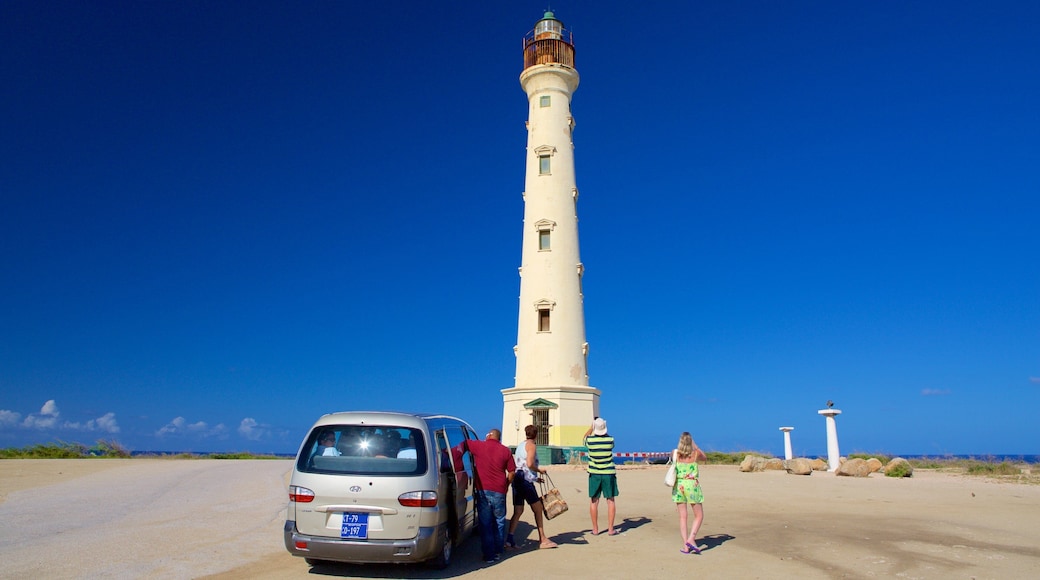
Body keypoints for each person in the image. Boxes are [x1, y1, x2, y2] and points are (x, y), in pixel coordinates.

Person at [465, 428, 516, 563]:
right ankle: (498, 551)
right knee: (499, 521)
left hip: (483, 490)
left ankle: (489, 555)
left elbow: (465, 443)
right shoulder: (506, 451)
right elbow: (512, 472)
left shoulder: (479, 446)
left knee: (486, 523)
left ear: (489, 435)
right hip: (500, 490)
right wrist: (506, 485)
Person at [506, 424, 557, 549]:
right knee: (538, 509)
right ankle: (542, 538)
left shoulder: (520, 446)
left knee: (518, 511)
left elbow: (521, 464)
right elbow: (529, 464)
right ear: (536, 435)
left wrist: (535, 478)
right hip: (525, 481)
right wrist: (539, 470)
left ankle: (509, 539)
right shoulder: (531, 446)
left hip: (518, 479)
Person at [672, 431, 708, 554]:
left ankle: (685, 545)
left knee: (683, 516)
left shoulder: (675, 454)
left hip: (679, 485)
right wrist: (695, 445)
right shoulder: (695, 454)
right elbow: (705, 457)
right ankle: (691, 538)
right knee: (699, 515)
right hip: (692, 484)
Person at [583, 417, 619, 535]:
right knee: (610, 500)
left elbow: (584, 438)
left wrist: (591, 428)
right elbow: (611, 442)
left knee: (594, 501)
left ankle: (595, 529)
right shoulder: (610, 440)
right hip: (608, 473)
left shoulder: (590, 441)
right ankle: (610, 529)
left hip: (594, 473)